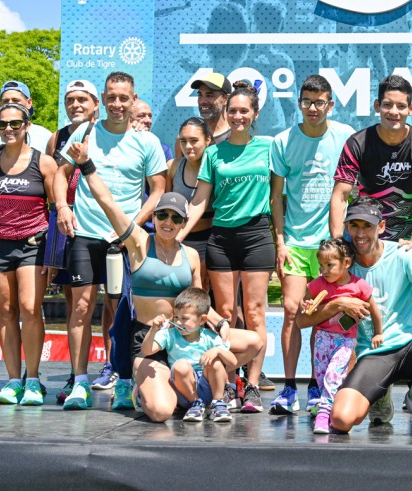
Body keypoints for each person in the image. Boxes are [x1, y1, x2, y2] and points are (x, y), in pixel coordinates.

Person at [67, 139, 262, 422]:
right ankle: (153, 387)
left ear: (183, 223)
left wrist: (220, 324)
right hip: (152, 341)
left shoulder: (192, 255)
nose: (167, 221)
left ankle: (193, 387)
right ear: (154, 217)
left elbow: (198, 305)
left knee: (253, 341)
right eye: (162, 215)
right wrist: (86, 165)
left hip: (186, 336)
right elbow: (107, 202)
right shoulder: (138, 243)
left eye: (175, 217)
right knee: (160, 412)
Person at [54, 71, 168, 411]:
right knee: (80, 309)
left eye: (124, 98)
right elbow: (59, 174)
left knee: (125, 313)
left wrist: (134, 225)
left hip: (126, 241)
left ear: (133, 101)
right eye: (112, 98)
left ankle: (124, 380)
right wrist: (62, 206)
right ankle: (79, 382)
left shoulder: (146, 142)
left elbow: (159, 189)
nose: (117, 104)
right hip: (86, 234)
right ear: (103, 100)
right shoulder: (84, 133)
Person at [301, 198, 412, 433]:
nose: (360, 233)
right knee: (342, 421)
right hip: (373, 356)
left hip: (411, 347)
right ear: (346, 228)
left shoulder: (403, 253)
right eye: (354, 225)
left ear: (381, 227)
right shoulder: (339, 265)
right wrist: (338, 305)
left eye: (367, 226)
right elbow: (302, 321)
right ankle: (381, 394)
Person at [182, 80, 275, 413]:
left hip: (257, 236)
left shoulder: (268, 146)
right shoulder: (213, 153)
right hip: (221, 238)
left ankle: (251, 386)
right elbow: (200, 200)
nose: (238, 116)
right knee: (224, 315)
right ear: (227, 110)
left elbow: (278, 197)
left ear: (255, 113)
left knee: (254, 313)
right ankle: (231, 384)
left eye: (244, 111)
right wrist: (178, 235)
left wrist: (283, 238)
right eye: (233, 110)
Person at [269, 74, 355, 415]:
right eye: (307, 102)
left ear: (330, 104)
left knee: (325, 317)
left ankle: (320, 386)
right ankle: (289, 388)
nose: (313, 109)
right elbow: (276, 197)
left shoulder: (346, 136)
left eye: (320, 103)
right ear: (299, 103)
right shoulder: (283, 140)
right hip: (294, 243)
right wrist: (280, 241)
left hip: (331, 246)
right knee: (292, 311)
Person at [0, 80, 54, 397]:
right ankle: (14, 380)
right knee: (6, 312)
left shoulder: (44, 161)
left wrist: (55, 251)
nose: (9, 128)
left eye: (16, 123)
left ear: (27, 124)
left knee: (30, 308)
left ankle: (32, 379)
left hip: (33, 243)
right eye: (3, 124)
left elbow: (57, 206)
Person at [40, 79, 102, 403]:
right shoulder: (58, 136)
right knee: (73, 302)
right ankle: (76, 375)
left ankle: (115, 372)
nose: (75, 105)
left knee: (118, 304)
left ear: (96, 104)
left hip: (106, 225)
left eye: (82, 99)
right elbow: (53, 178)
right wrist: (57, 217)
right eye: (70, 100)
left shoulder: (107, 131)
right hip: (68, 221)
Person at [330, 74, 412, 249]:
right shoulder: (357, 143)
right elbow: (340, 196)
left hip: (406, 242)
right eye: (387, 104)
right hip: (364, 238)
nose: (394, 112)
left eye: (401, 106)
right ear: (377, 106)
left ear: (411, 108)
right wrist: (338, 244)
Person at [301, 238, 384, 434]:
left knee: (333, 375)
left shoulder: (359, 286)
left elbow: (374, 311)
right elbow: (304, 306)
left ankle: (323, 413)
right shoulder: (318, 285)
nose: (324, 270)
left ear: (346, 263)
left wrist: (378, 332)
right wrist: (306, 306)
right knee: (322, 377)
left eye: (330, 265)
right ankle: (328, 405)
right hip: (322, 338)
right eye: (321, 266)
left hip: (345, 341)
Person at [139, 288, 240, 423]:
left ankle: (218, 403)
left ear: (202, 319)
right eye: (177, 317)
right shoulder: (169, 335)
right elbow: (146, 351)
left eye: (184, 318)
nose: (179, 322)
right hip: (184, 390)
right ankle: (195, 404)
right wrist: (153, 330)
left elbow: (233, 363)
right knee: (181, 365)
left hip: (207, 385)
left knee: (215, 362)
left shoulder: (210, 337)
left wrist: (218, 351)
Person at [166, 118, 214, 275]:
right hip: (179, 240)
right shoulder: (172, 166)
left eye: (194, 141)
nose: (188, 146)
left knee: (205, 293)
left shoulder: (217, 168)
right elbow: (165, 208)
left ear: (207, 140)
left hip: (210, 241)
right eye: (183, 141)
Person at [176, 73, 232, 159]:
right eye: (200, 95)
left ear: (226, 99)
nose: (202, 101)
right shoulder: (185, 138)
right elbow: (180, 169)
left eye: (209, 95)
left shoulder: (235, 136)